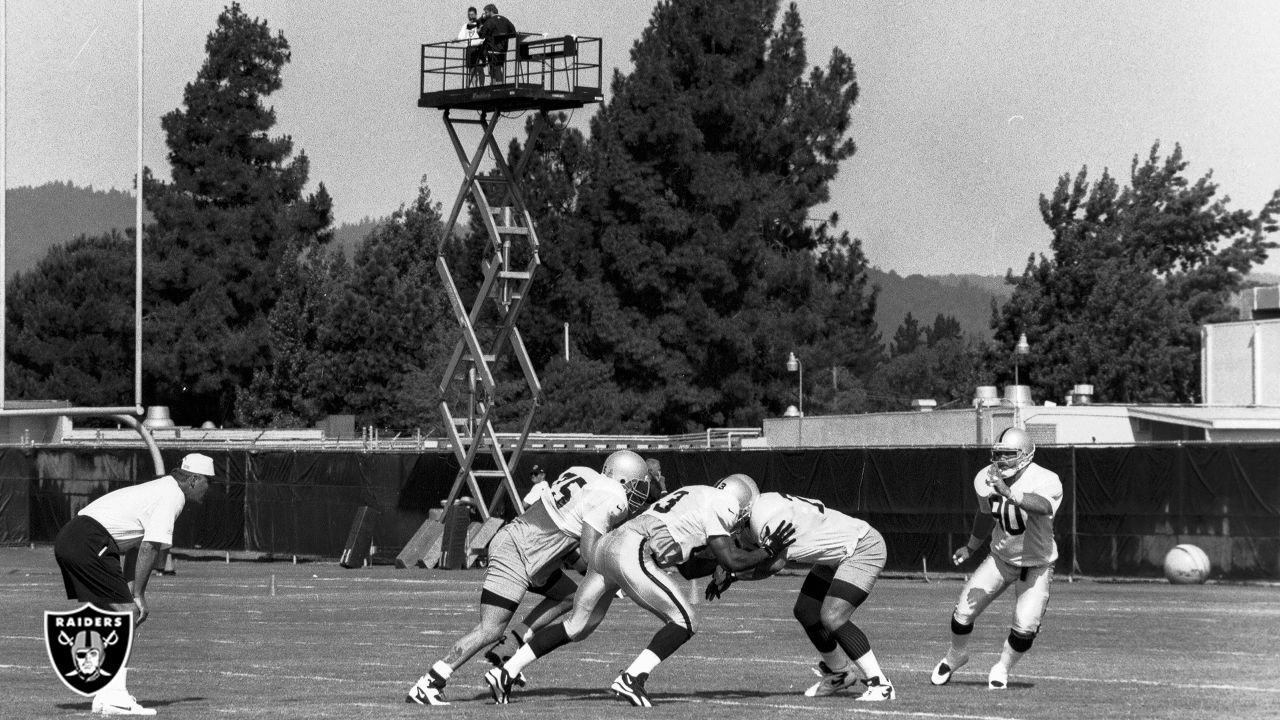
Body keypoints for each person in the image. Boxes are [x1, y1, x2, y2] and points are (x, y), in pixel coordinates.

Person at [484, 474, 796, 707]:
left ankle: (507, 671)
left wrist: (722, 570)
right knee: (686, 620)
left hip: (610, 547)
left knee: (576, 626)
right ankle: (632, 678)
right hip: (633, 549)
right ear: (742, 503)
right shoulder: (724, 504)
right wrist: (767, 551)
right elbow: (731, 557)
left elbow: (689, 568)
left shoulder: (697, 495)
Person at [405, 450, 652, 706]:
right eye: (637, 485)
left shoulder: (585, 474)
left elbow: (567, 546)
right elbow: (589, 554)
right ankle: (430, 682)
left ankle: (513, 642)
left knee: (569, 596)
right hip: (519, 553)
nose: (639, 493)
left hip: (530, 550)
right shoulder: (613, 496)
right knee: (490, 629)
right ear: (623, 479)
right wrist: (620, 577)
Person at [53, 453, 216, 715]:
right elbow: (150, 546)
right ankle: (116, 696)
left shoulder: (160, 488)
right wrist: (138, 595)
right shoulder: (172, 496)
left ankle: (105, 695)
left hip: (75, 538)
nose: (210, 488)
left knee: (110, 617)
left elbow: (134, 543)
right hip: (90, 541)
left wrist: (131, 586)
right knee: (128, 614)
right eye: (210, 481)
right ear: (195, 480)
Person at [704, 491, 896, 701]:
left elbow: (773, 564)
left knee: (833, 617)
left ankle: (881, 684)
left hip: (861, 547)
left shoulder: (765, 518)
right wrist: (731, 574)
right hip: (835, 554)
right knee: (806, 611)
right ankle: (839, 673)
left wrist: (732, 575)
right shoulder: (762, 509)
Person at [930, 426, 1063, 690]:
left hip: (1036, 565)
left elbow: (1044, 506)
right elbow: (985, 514)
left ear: (1025, 455)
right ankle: (956, 655)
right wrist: (971, 546)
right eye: (998, 454)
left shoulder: (1046, 478)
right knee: (962, 612)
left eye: (1008, 455)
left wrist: (1010, 493)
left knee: (1025, 628)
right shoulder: (986, 478)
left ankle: (1002, 667)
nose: (1001, 460)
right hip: (1000, 558)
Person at [477, 4, 516, 84]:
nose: (485, 14)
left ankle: (496, 85)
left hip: (492, 49)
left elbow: (482, 35)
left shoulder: (490, 21)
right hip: (503, 50)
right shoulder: (506, 20)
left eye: (486, 12)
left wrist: (480, 28)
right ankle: (499, 84)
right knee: (499, 67)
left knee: (493, 69)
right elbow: (513, 32)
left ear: (491, 11)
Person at [456, 6, 485, 87]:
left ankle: (482, 86)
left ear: (475, 15)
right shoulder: (465, 26)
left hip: (479, 47)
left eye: (472, 14)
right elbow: (460, 37)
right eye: (469, 15)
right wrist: (455, 40)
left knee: (480, 68)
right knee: (472, 70)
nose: (470, 16)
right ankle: (474, 88)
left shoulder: (479, 24)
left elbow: (484, 35)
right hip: (470, 49)